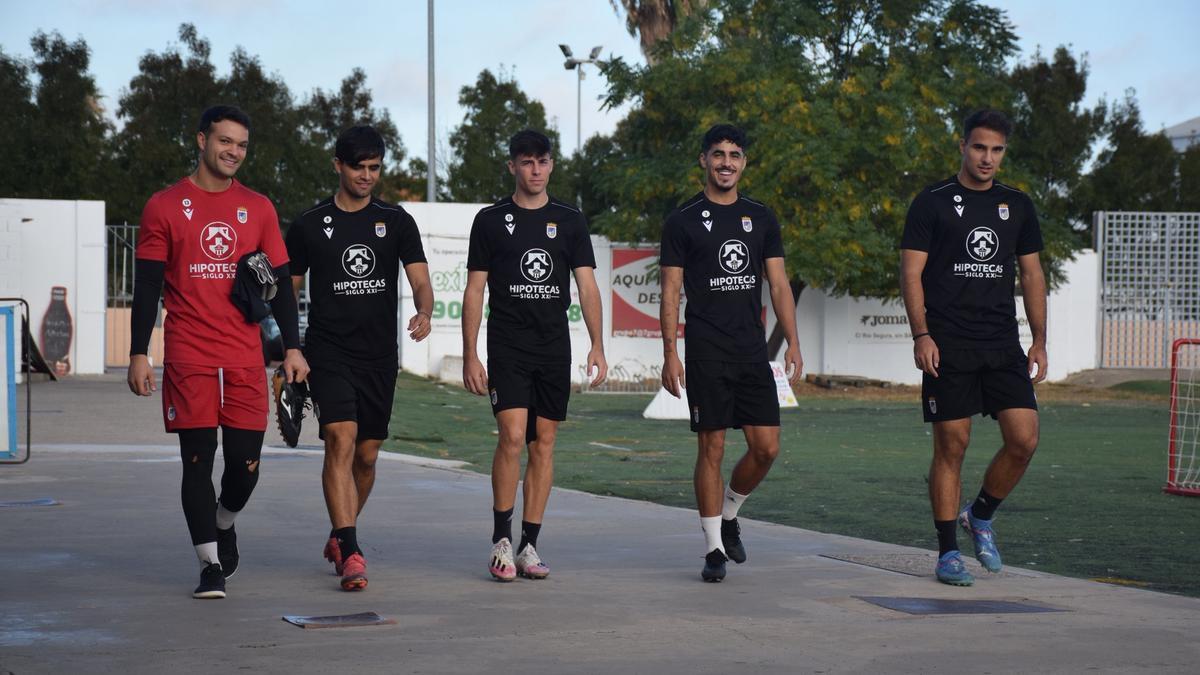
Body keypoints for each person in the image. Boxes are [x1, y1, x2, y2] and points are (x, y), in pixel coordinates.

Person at [127, 105, 309, 599]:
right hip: (190, 355)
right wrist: (139, 351)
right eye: (225, 141)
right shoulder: (163, 206)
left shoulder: (260, 207)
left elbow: (285, 289)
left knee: (244, 467)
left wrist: (293, 348)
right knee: (196, 461)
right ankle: (208, 564)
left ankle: (224, 520)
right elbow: (146, 287)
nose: (233, 152)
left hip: (245, 356)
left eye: (242, 145)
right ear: (201, 139)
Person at [899, 109, 1047, 586]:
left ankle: (980, 515)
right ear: (962, 146)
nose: (987, 158)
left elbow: (1031, 274)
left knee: (1024, 439)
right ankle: (947, 553)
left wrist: (1040, 338)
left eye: (996, 150)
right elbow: (911, 273)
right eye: (979, 147)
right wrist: (921, 334)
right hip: (948, 343)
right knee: (952, 445)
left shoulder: (1017, 205)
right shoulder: (932, 202)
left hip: (1002, 342)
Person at [285, 125, 433, 591]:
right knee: (339, 439)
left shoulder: (397, 221)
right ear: (338, 166)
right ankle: (351, 550)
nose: (367, 176)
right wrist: (289, 349)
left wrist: (425, 309)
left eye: (374, 168)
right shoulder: (310, 223)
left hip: (378, 358)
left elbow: (421, 280)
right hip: (328, 352)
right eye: (358, 167)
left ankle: (337, 532)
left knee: (366, 458)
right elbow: (286, 293)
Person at [659, 123, 803, 583]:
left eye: (734, 155)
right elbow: (671, 290)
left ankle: (731, 512)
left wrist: (794, 341)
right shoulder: (682, 220)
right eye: (717, 154)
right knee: (713, 447)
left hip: (751, 352)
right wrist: (670, 353)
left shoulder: (761, 217)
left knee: (766, 447)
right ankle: (713, 549)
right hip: (705, 350)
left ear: (744, 162)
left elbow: (778, 284)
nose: (726, 162)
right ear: (703, 160)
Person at [462, 129, 607, 582]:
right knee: (511, 435)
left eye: (542, 161)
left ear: (552, 165)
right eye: (526, 162)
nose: (536, 170)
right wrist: (470, 354)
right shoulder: (490, 220)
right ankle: (501, 541)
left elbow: (586, 287)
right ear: (512, 167)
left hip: (553, 347)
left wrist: (597, 344)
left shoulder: (570, 220)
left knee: (544, 443)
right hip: (507, 345)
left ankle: (529, 545)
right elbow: (474, 290)